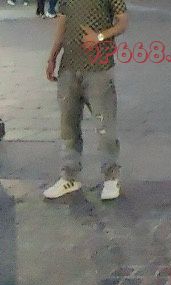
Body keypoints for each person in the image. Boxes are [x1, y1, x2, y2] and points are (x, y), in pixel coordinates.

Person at [43, 0, 128, 200]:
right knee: (68, 125)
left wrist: (100, 36)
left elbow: (123, 22)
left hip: (99, 68)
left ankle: (111, 177)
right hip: (69, 66)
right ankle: (69, 176)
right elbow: (62, 23)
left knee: (104, 125)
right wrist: (53, 56)